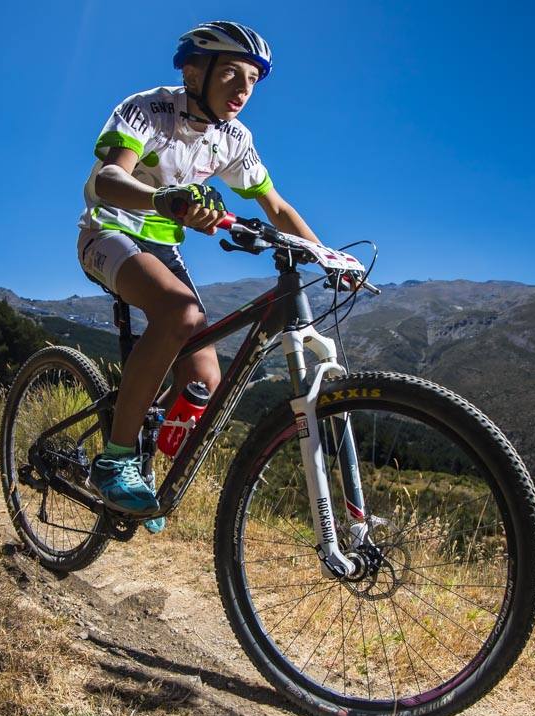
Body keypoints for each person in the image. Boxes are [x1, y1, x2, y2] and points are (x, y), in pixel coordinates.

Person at [77, 21, 327, 526]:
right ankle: (116, 459)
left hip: (163, 247)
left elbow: (273, 205)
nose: (243, 90)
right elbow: (108, 180)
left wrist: (324, 255)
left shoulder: (233, 138)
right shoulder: (150, 109)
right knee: (180, 312)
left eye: (253, 80)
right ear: (194, 72)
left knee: (205, 378)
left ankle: (143, 451)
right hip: (107, 232)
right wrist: (162, 200)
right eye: (232, 74)